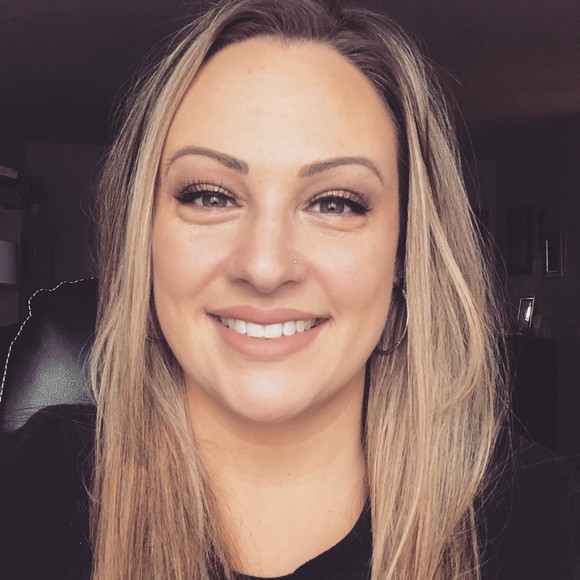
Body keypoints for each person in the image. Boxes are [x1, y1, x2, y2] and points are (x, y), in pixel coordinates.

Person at [1, 0, 579, 579]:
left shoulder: (548, 521)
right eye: (209, 196)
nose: (265, 266)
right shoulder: (27, 493)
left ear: (404, 249)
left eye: (335, 203)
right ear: (144, 236)